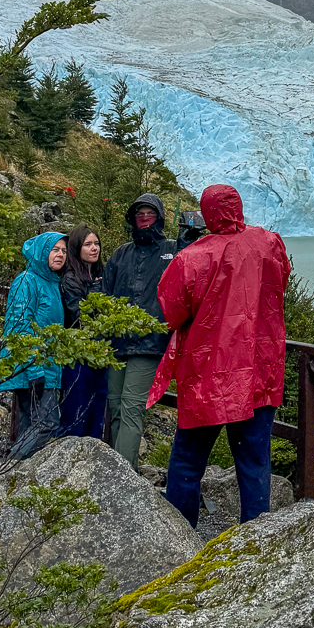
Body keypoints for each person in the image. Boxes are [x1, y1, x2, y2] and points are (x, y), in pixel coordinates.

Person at [148, 183, 289, 528]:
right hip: (259, 368)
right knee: (255, 462)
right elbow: (281, 281)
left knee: (186, 462)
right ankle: (255, 540)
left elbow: (170, 313)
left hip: (208, 375)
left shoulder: (193, 256)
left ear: (208, 212)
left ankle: (179, 537)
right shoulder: (269, 243)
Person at [100, 194, 180, 471]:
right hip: (118, 342)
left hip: (150, 343)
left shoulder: (172, 249)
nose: (144, 217)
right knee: (116, 408)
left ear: (159, 216)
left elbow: (191, 275)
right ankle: (127, 471)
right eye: (139, 213)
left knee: (132, 408)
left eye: (150, 213)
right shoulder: (122, 253)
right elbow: (104, 292)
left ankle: (118, 476)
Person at [0, 231, 67, 459]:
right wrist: (34, 368)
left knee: (30, 424)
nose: (60, 255)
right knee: (46, 423)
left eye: (63, 251)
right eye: (54, 250)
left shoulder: (52, 282)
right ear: (41, 252)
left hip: (45, 366)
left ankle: (12, 480)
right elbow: (18, 327)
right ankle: (7, 470)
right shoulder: (27, 280)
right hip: (34, 367)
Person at [57, 226, 110, 439]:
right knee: (76, 410)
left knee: (97, 407)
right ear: (77, 248)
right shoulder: (70, 278)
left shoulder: (101, 274)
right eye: (88, 244)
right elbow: (78, 316)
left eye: (96, 244)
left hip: (100, 352)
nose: (94, 249)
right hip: (77, 354)